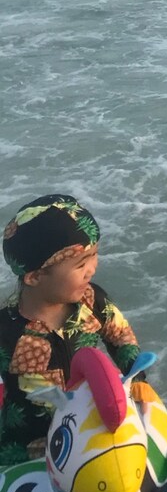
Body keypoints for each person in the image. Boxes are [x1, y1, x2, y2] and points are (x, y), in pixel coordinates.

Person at [0, 195, 144, 466]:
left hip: (87, 436)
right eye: (81, 264)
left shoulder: (92, 302)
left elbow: (121, 338)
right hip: (25, 451)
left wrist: (139, 384)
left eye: (94, 255)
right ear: (34, 276)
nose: (92, 269)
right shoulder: (5, 331)